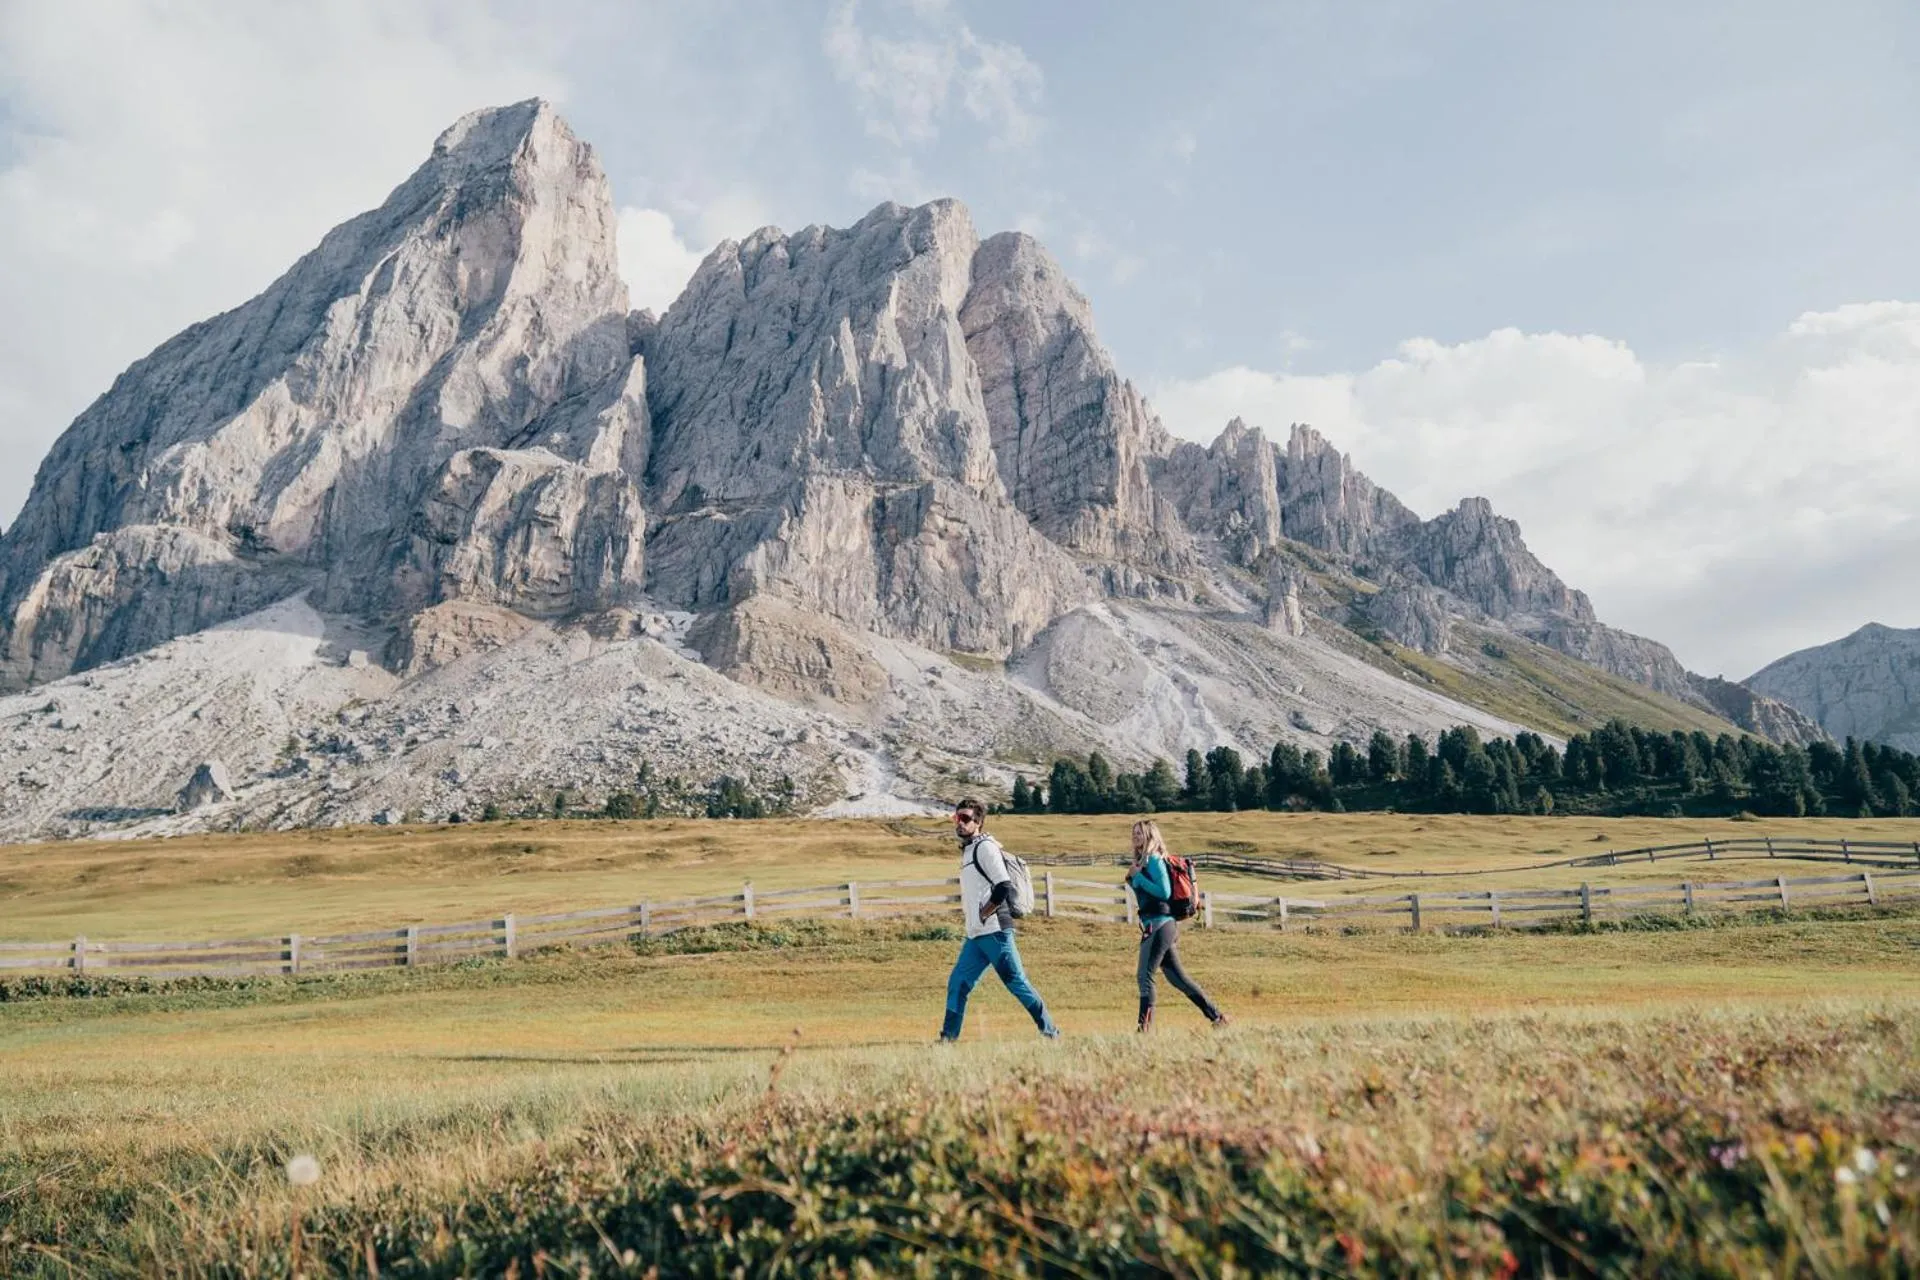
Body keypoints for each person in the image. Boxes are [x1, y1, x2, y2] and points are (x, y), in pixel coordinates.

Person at [938, 797, 1059, 1041]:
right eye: (956, 818)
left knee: (1016, 983)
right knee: (958, 983)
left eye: (965, 819)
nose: (959, 823)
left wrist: (985, 912)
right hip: (976, 935)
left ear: (978, 822)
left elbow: (1003, 885)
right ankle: (948, 1039)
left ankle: (1050, 1032)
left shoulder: (985, 847)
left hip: (995, 931)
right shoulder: (970, 849)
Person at [1127, 819, 1229, 1032]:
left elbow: (1164, 892)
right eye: (1134, 833)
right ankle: (1218, 1018)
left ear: (1150, 835)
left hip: (1160, 925)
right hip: (1158, 925)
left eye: (1140, 833)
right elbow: (1145, 894)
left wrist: (1138, 877)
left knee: (1144, 975)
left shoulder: (1154, 859)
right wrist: (1134, 877)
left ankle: (1143, 1030)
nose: (1135, 836)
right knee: (1179, 979)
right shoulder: (1143, 861)